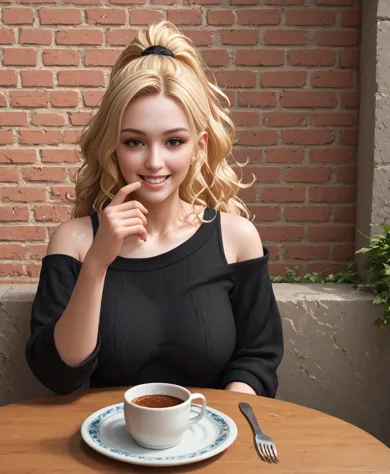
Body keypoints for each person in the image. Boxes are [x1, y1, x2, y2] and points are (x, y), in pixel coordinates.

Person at [26, 21, 284, 398]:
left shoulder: (236, 237)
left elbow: (258, 357)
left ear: (199, 145)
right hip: (103, 442)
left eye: (174, 141)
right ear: (113, 146)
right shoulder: (75, 240)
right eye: (134, 142)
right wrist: (97, 263)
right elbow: (58, 375)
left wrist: (217, 428)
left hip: (210, 438)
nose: (154, 161)